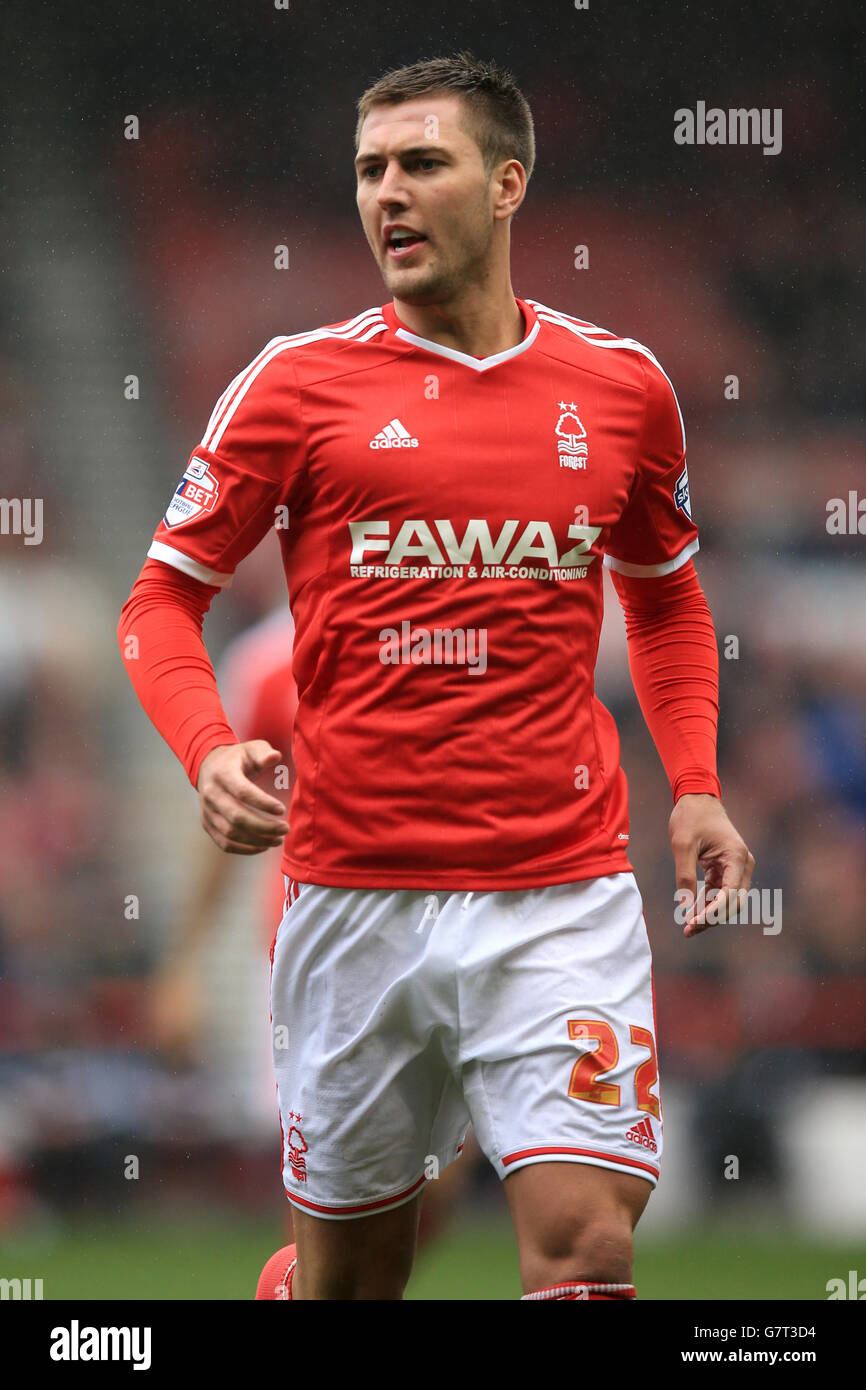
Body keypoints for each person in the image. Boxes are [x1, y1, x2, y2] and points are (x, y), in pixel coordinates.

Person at [118, 52, 754, 1301]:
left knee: (587, 1252)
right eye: (368, 171)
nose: (386, 195)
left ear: (506, 182)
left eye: (421, 163)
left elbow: (667, 593)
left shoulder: (619, 389)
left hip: (558, 894)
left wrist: (694, 784)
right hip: (353, 904)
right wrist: (207, 750)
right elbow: (157, 602)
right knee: (354, 1283)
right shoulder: (294, 386)